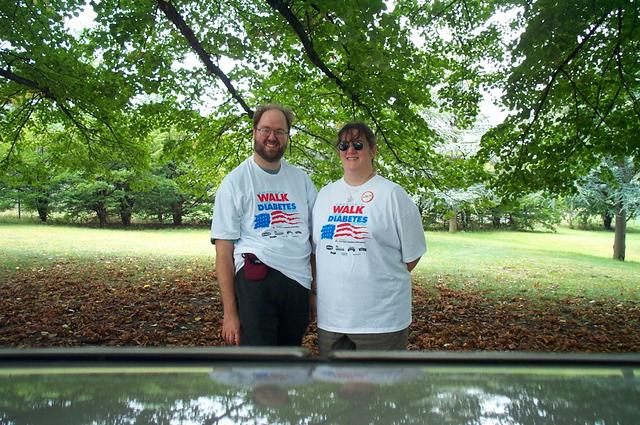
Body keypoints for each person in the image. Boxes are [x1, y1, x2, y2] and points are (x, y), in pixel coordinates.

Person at [312, 122, 426, 357]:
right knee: (334, 380)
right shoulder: (324, 195)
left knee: (381, 381)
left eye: (358, 145)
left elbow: (412, 256)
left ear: (373, 150)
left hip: (381, 322)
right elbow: (316, 252)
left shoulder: (393, 195)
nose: (350, 151)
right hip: (332, 320)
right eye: (344, 145)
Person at [210, 104, 317, 346]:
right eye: (266, 129)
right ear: (254, 132)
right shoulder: (235, 182)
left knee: (289, 358)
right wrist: (230, 313)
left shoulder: (302, 181)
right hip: (256, 282)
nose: (272, 137)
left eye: (279, 131)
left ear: (287, 136)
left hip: (298, 283)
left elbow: (314, 242)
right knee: (261, 363)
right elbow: (223, 251)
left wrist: (313, 292)